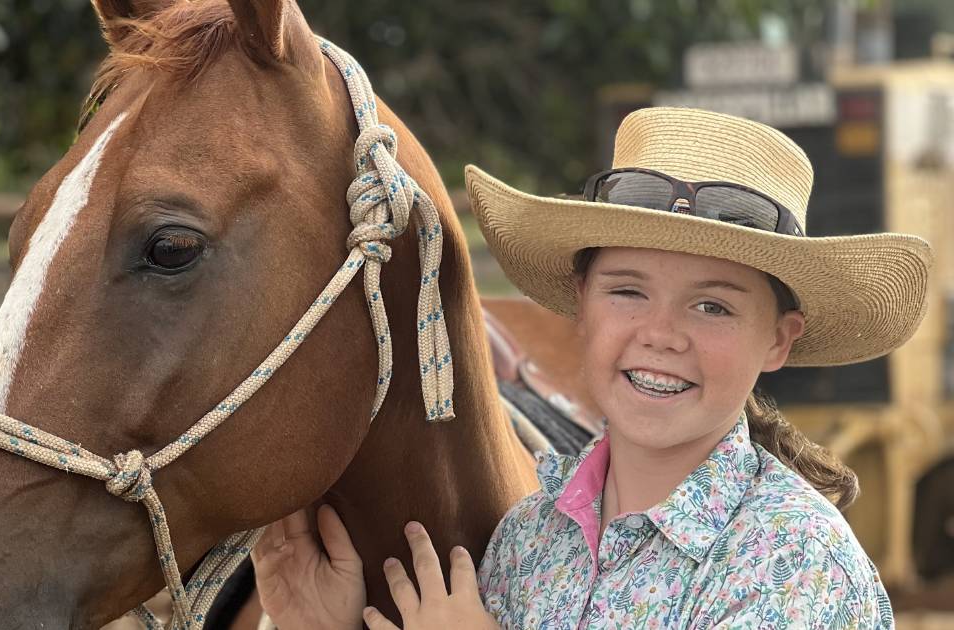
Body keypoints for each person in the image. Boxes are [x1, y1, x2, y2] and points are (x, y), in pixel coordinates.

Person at [249, 107, 933, 629]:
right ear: (581, 304)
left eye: (713, 307)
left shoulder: (792, 564)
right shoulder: (527, 543)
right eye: (627, 291)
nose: (660, 334)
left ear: (779, 342)